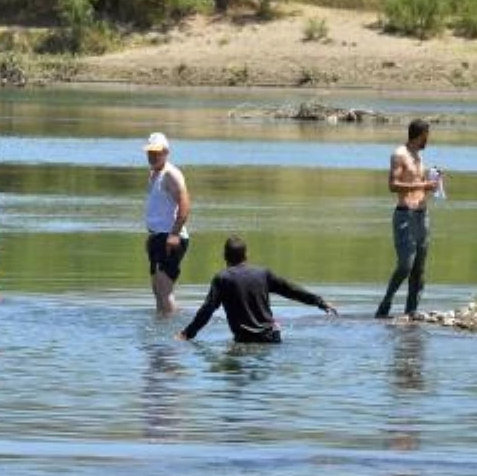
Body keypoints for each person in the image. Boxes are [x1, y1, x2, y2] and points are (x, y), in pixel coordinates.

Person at [177, 236, 337, 343]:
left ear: (224, 256)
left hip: (244, 339)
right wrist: (320, 302)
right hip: (270, 337)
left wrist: (187, 334)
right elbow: (291, 290)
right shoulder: (263, 274)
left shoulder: (222, 279)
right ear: (246, 255)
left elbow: (207, 310)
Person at [375, 119, 441, 320]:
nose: (428, 140)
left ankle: (411, 311)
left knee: (419, 268)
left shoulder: (418, 157)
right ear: (421, 134)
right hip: (405, 215)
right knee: (406, 265)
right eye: (427, 136)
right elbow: (393, 185)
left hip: (423, 215)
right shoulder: (399, 155)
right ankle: (386, 303)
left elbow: (418, 183)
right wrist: (423, 185)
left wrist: (433, 179)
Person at [143, 132, 191, 313]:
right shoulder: (155, 174)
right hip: (158, 236)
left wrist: (174, 234)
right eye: (150, 152)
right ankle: (160, 328)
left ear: (166, 152)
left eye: (157, 152)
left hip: (171, 237)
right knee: (157, 289)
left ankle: (172, 332)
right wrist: (152, 236)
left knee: (164, 289)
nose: (152, 156)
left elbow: (185, 204)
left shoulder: (171, 174)